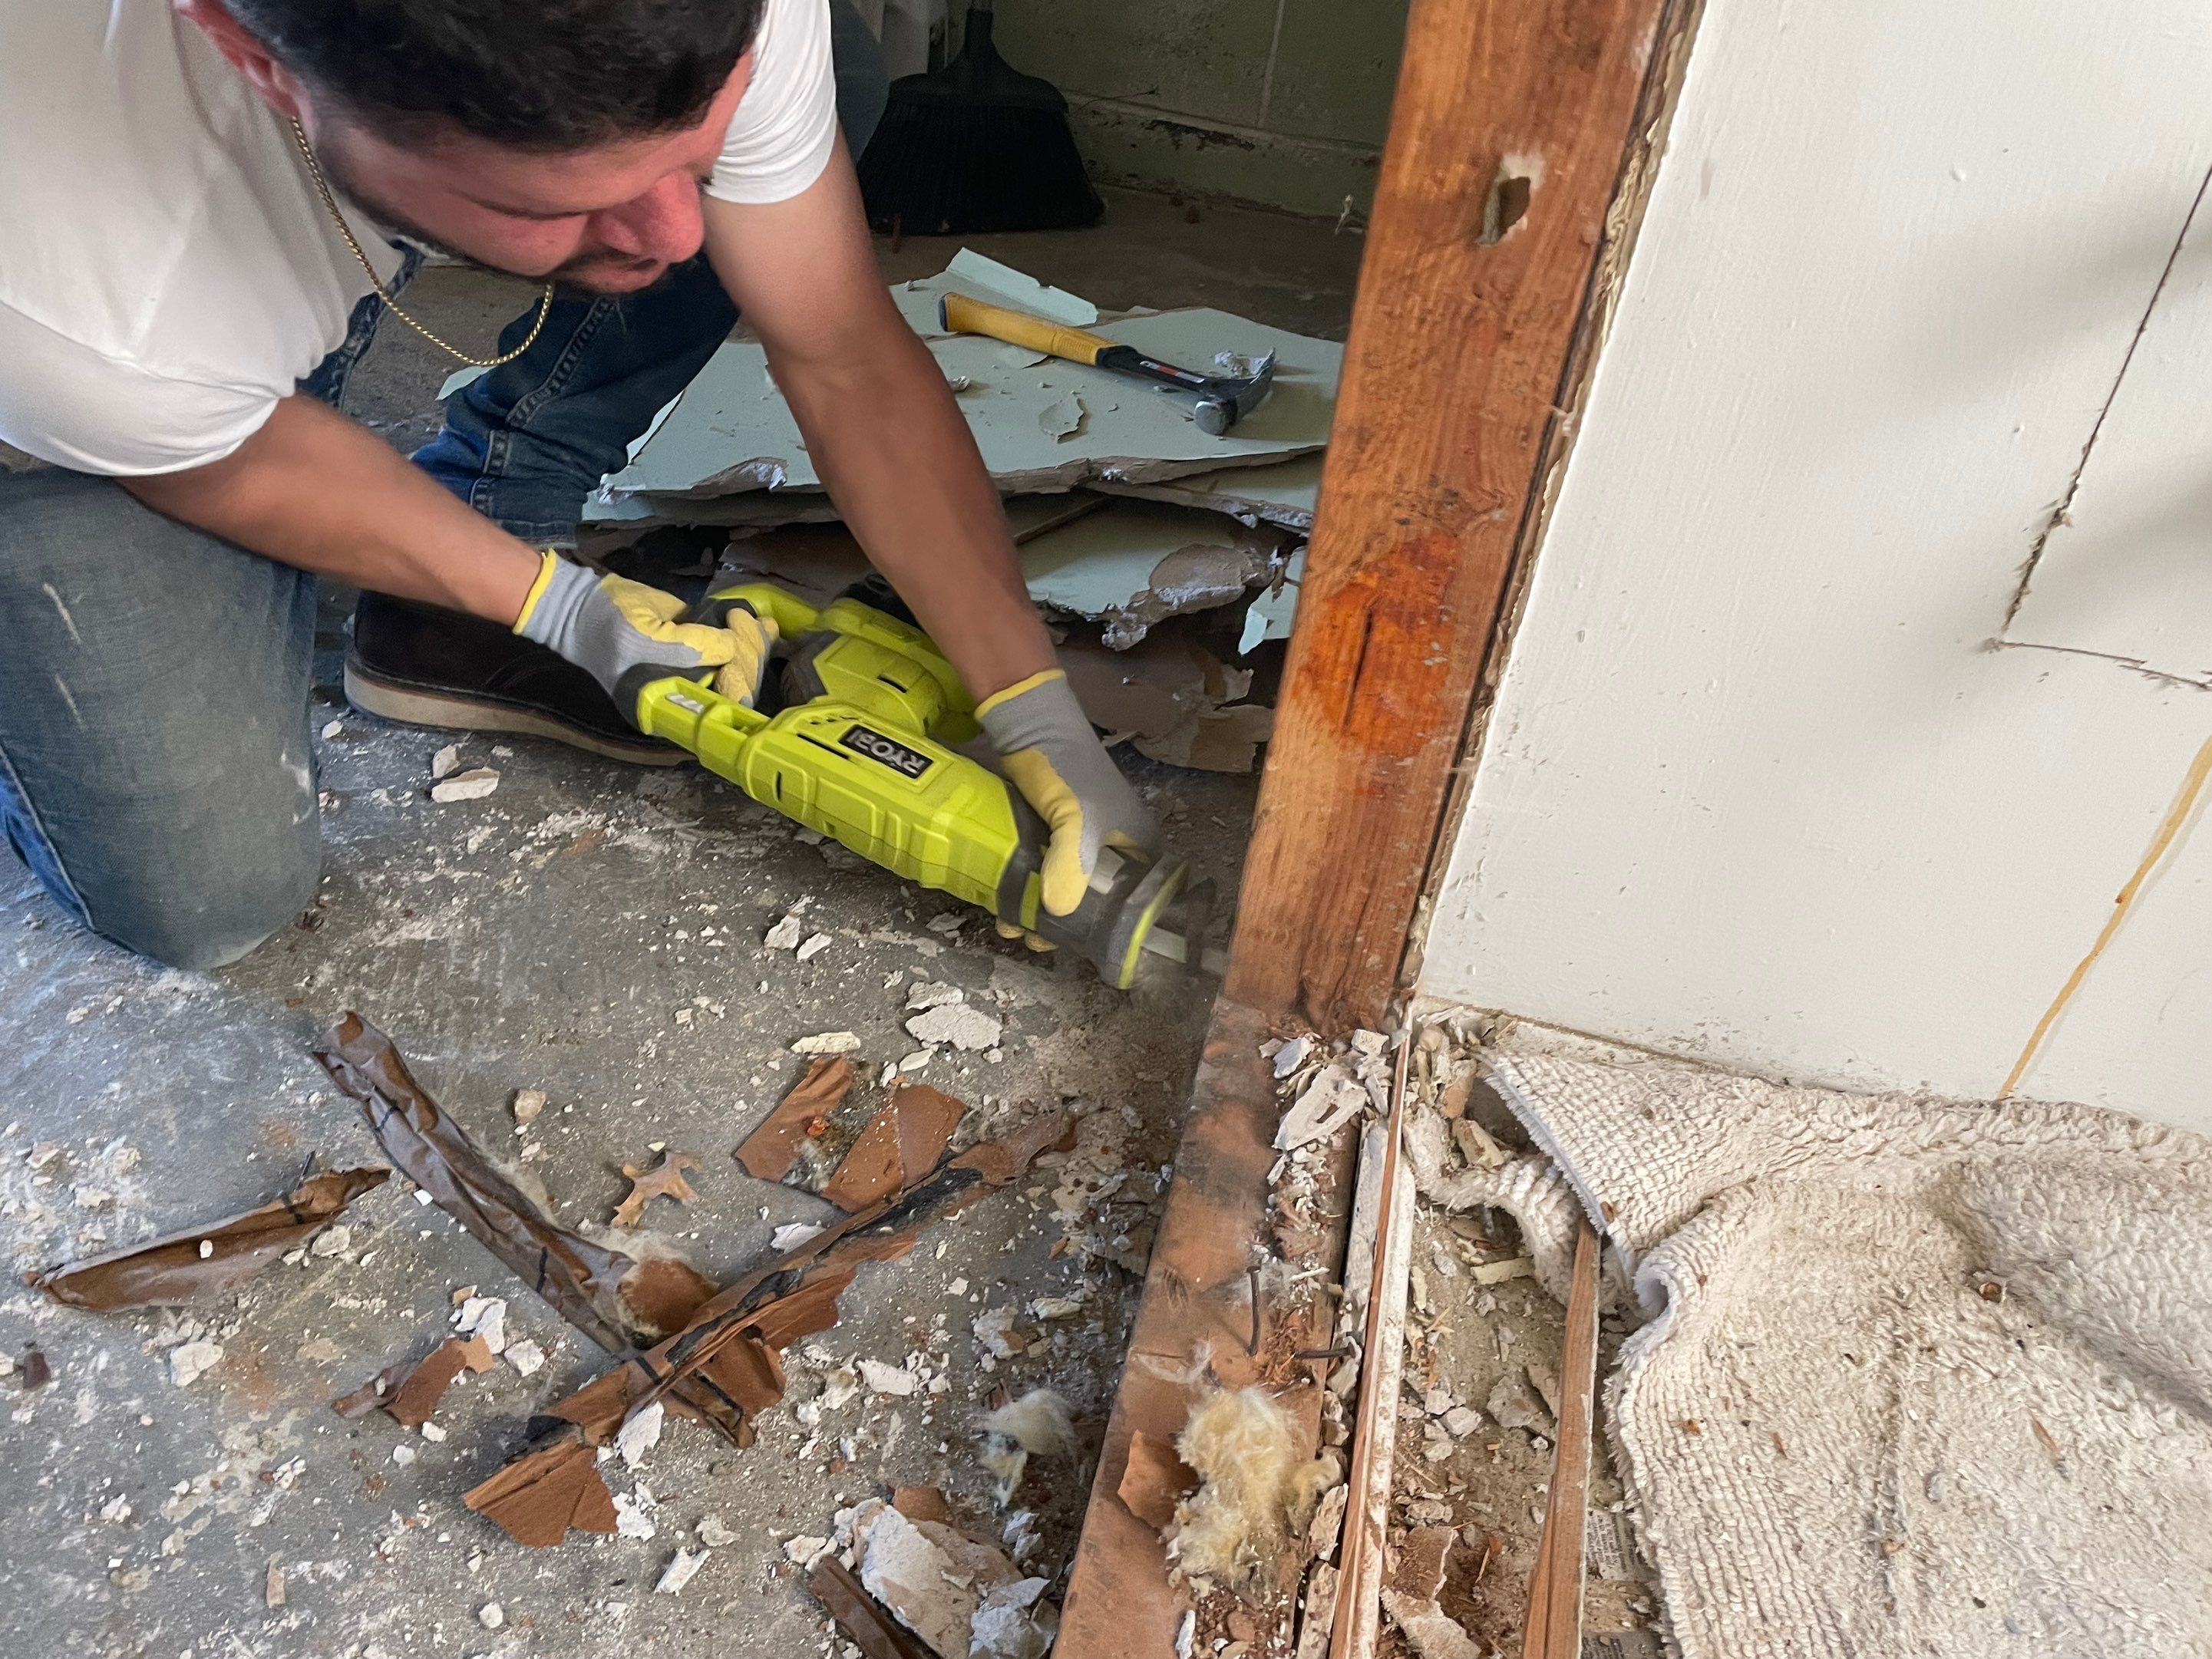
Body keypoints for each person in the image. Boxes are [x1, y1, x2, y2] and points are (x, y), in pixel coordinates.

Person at [0, 0, 1157, 971]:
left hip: (207, 295)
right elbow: (236, 457)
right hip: (84, 375)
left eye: (696, 157)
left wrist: (1027, 697)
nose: (678, 234)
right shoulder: (69, 293)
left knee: (808, 98)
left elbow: (843, 352)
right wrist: (552, 606)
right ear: (256, 59)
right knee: (206, 899)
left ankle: (489, 498)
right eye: (549, 203)